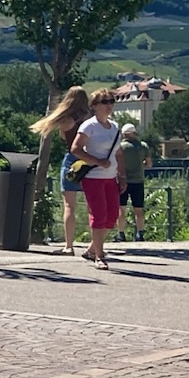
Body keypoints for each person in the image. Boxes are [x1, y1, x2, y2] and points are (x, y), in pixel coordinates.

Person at [68, 88, 126, 269]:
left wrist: (122, 175)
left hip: (111, 177)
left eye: (111, 101)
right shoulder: (89, 126)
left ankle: (92, 249)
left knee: (112, 216)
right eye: (105, 102)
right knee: (99, 215)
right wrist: (97, 161)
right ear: (94, 105)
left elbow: (119, 153)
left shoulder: (115, 127)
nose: (109, 105)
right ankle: (99, 256)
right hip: (93, 177)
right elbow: (75, 149)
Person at [31, 85, 91, 255]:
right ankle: (94, 245)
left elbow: (64, 137)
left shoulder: (66, 119)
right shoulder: (91, 118)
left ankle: (69, 246)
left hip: (72, 160)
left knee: (69, 206)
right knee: (92, 206)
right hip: (90, 161)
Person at [118, 126, 150, 240]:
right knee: (138, 209)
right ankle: (140, 233)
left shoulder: (120, 147)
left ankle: (121, 234)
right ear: (134, 133)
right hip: (138, 181)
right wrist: (141, 166)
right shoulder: (143, 146)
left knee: (121, 209)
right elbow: (149, 164)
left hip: (123, 181)